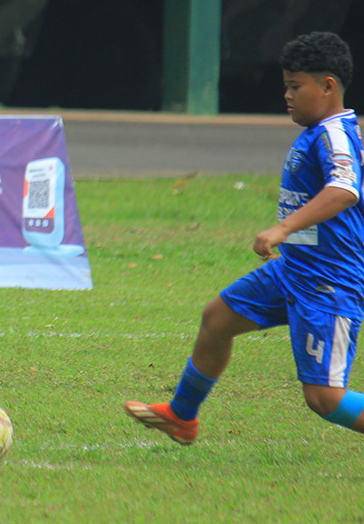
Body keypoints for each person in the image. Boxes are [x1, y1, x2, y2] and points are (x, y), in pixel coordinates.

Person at [125, 31, 364, 444]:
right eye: (285, 85)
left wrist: (283, 228)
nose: (286, 95)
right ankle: (182, 417)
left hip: (328, 283)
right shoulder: (321, 131)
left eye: (295, 86)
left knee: (324, 398)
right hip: (294, 270)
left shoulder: (335, 135)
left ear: (327, 86)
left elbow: (344, 190)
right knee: (217, 319)